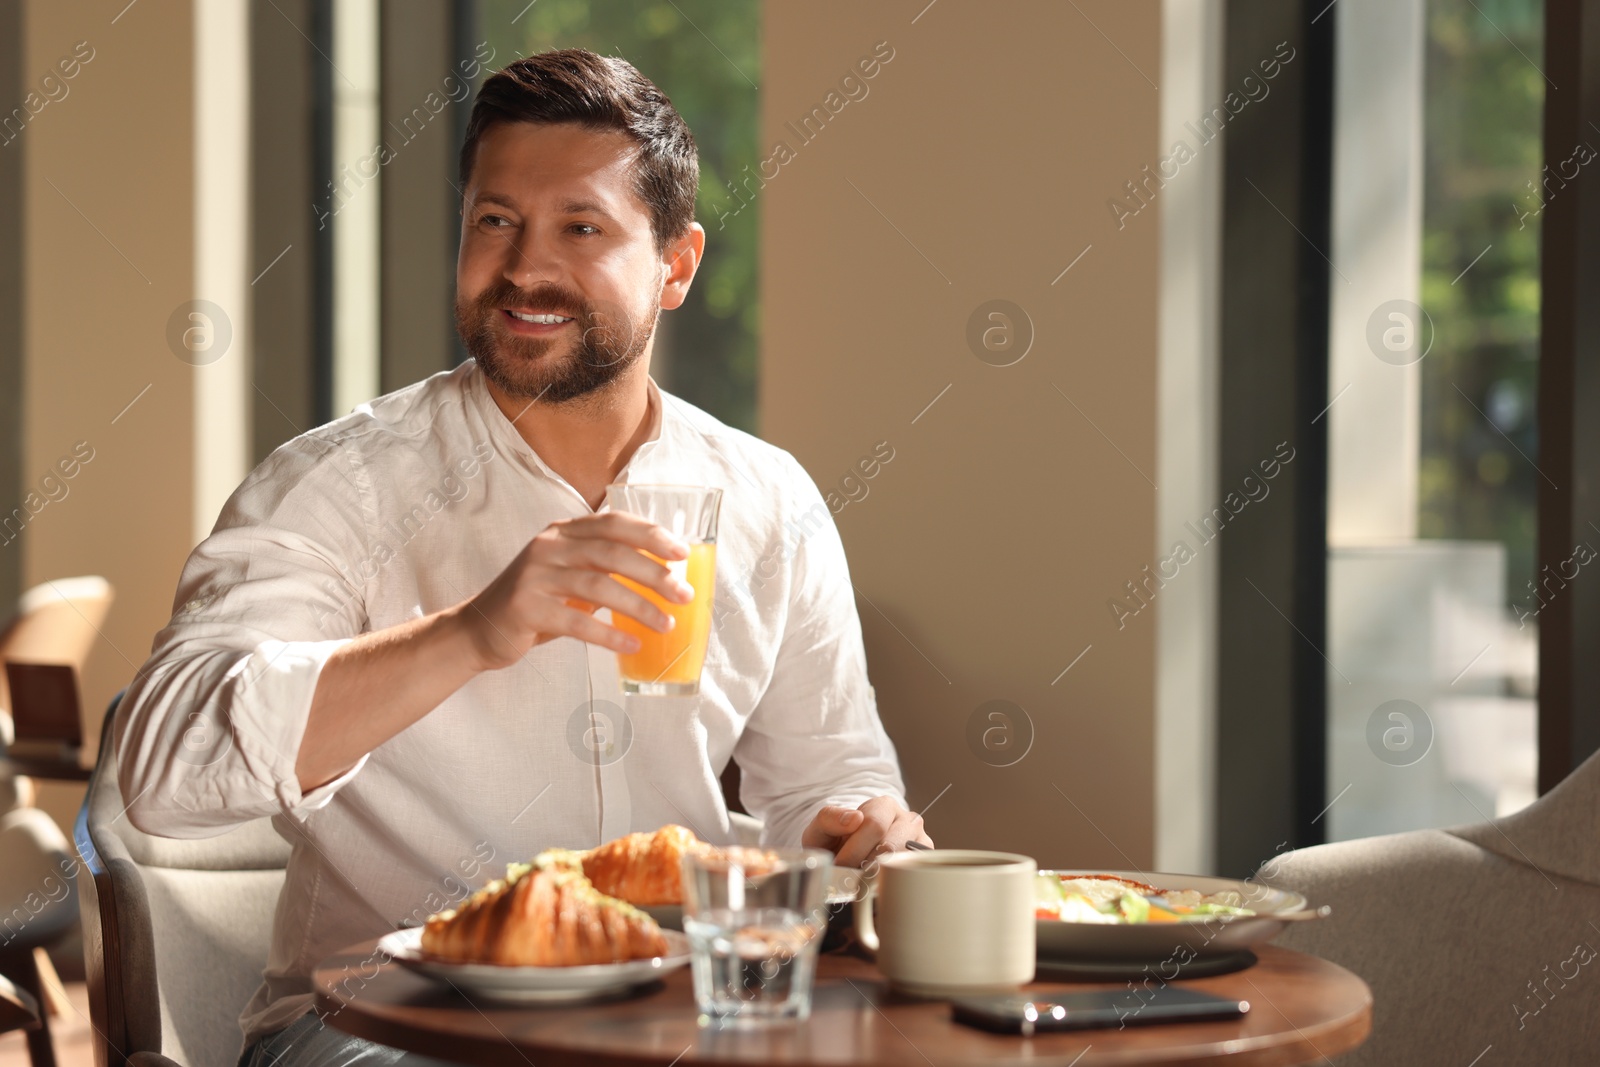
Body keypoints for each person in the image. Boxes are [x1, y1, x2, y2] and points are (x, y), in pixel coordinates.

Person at [114, 48, 929, 1066]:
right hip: (381, 1026)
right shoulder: (339, 482)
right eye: (494, 222)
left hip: (669, 1020)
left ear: (674, 267)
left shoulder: (767, 498)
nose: (523, 268)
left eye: (579, 228)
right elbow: (162, 768)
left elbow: (827, 779)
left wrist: (865, 833)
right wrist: (470, 633)